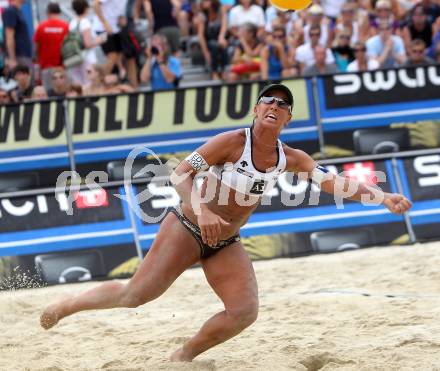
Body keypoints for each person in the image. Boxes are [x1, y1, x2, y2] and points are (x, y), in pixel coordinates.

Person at [40, 83, 413, 362]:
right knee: (136, 295)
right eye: (268, 99)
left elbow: (335, 183)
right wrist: (202, 211)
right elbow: (180, 175)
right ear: (256, 108)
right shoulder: (233, 141)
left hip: (225, 242)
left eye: (283, 104)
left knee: (244, 312)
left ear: (288, 118)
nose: (274, 105)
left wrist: (383, 197)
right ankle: (67, 305)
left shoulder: (291, 157)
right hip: (188, 226)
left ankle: (182, 356)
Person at [33, 2, 69, 90]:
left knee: (48, 93)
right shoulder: (65, 26)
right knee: (62, 91)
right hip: (62, 66)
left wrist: (37, 61)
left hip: (46, 66)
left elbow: (35, 47)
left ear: (48, 12)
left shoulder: (41, 27)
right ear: (59, 12)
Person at [1, 0, 32, 70]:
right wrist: (12, 59)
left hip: (24, 55)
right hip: (18, 56)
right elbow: (9, 36)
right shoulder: (10, 11)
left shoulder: (18, 11)